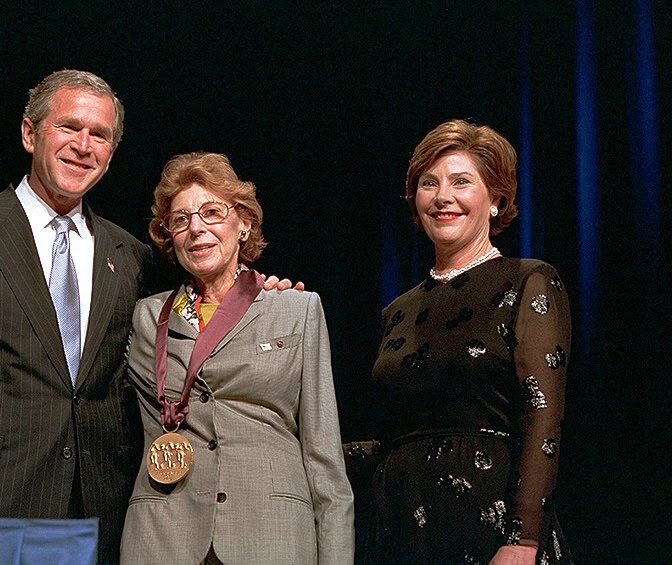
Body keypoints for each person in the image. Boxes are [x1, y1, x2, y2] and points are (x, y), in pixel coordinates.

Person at [0, 70, 294, 563]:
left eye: (100, 135)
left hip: (97, 510)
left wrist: (256, 294)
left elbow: (193, 321)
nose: (83, 145)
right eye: (69, 127)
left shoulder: (131, 255)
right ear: (30, 134)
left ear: (112, 153)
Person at [120, 152, 354, 564]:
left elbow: (325, 460)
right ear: (169, 237)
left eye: (212, 212)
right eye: (180, 219)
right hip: (163, 538)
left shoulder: (296, 308)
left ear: (243, 223)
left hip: (271, 535)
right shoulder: (145, 317)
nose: (196, 229)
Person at [365, 120, 572, 564]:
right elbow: (394, 439)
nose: (443, 197)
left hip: (490, 526)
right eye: (429, 183)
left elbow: (542, 417)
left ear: (496, 199)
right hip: (401, 530)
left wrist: (523, 540)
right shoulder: (397, 310)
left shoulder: (528, 280)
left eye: (462, 182)